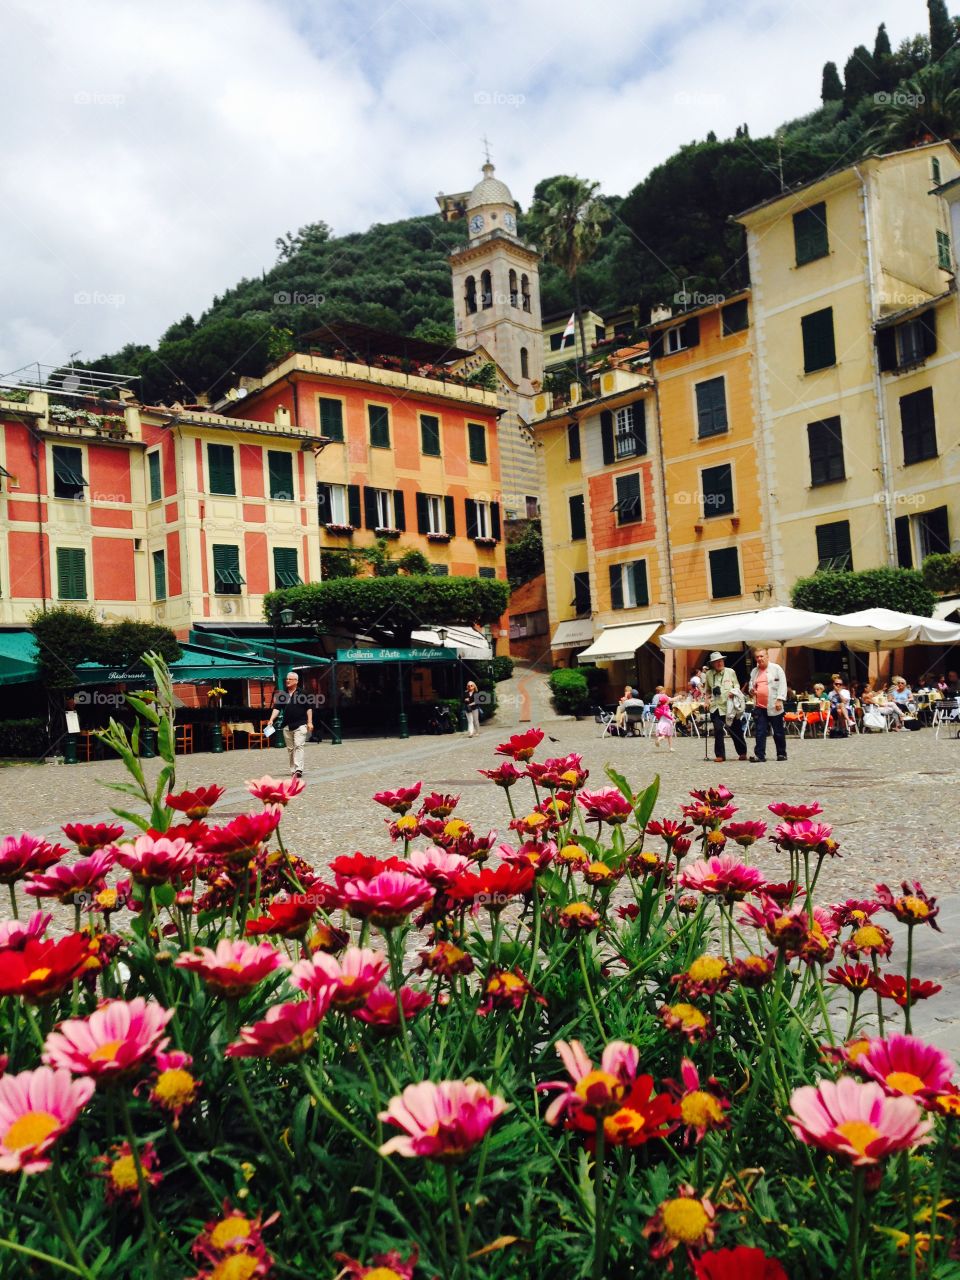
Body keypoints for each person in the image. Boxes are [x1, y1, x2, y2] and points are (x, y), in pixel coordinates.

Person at [267, 671, 313, 778]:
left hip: (301, 724)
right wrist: (271, 719)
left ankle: (298, 769)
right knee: (291, 748)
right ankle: (293, 770)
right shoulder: (282, 695)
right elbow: (277, 709)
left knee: (299, 745)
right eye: (287, 679)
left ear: (296, 681)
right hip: (287, 725)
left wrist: (310, 722)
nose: (287, 681)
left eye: (290, 679)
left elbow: (309, 709)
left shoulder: (303, 693)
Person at [747, 648, 788, 762]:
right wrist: (751, 690)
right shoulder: (754, 671)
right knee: (760, 732)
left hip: (774, 705)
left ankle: (781, 753)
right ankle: (760, 755)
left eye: (761, 656)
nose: (759, 659)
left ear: (767, 656)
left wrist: (780, 699)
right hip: (760, 706)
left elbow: (782, 685)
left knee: (778, 731)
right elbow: (751, 685)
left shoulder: (776, 668)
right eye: (757, 657)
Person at [704, 652, 747, 762]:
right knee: (718, 730)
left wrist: (733, 692)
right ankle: (720, 755)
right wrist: (706, 701)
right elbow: (707, 690)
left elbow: (737, 685)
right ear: (712, 664)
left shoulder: (730, 672)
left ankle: (742, 752)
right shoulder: (709, 674)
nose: (719, 663)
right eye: (716, 662)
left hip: (729, 706)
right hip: (716, 707)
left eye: (721, 661)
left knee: (735, 729)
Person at [651, 686, 675, 751]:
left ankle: (660, 739)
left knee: (663, 735)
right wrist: (672, 718)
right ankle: (670, 747)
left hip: (661, 723)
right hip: (667, 723)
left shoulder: (659, 707)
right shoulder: (665, 706)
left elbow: (659, 714)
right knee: (669, 735)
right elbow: (666, 714)